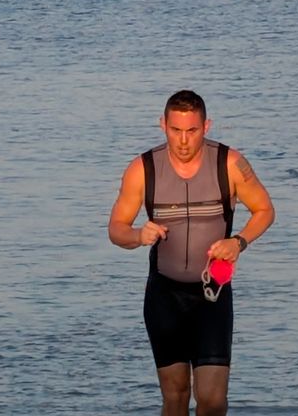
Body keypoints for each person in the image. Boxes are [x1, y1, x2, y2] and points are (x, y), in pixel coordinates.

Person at [108, 90, 276, 416]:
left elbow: (265, 210)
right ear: (163, 125)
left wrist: (238, 242)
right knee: (176, 396)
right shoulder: (142, 169)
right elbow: (116, 229)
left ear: (206, 126)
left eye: (192, 131)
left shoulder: (230, 164)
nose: (183, 141)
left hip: (212, 294)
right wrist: (138, 235)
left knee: (212, 400)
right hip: (164, 296)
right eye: (175, 130)